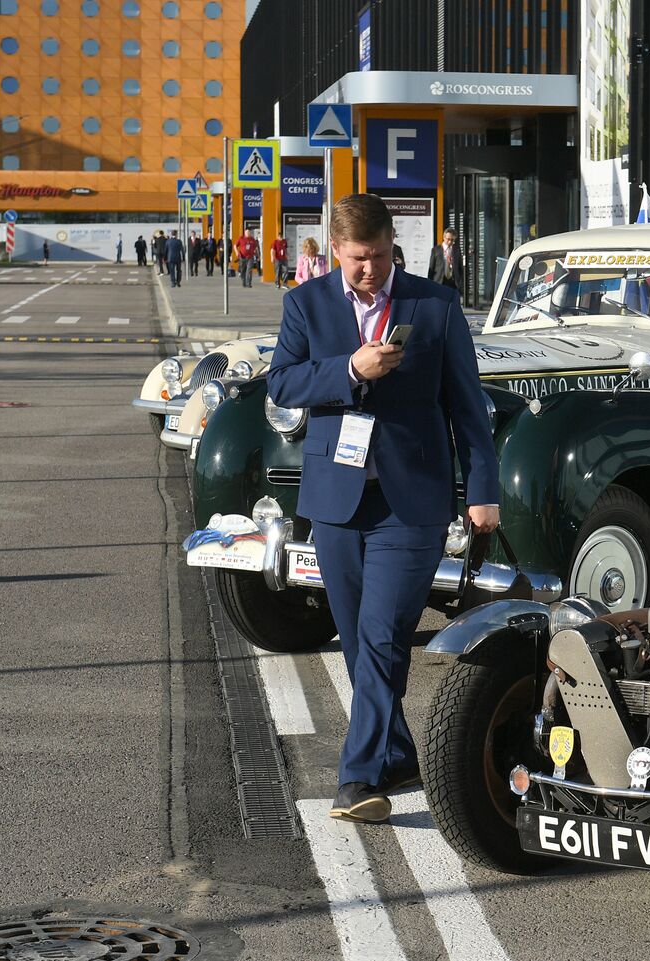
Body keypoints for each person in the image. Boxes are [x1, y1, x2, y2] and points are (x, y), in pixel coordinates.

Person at [266, 193, 499, 824]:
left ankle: (358, 778)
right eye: (355, 260)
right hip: (337, 500)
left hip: (412, 502)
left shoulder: (436, 305)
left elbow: (467, 406)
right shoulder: (304, 305)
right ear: (335, 252)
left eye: (377, 255)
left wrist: (482, 490)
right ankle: (396, 754)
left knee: (382, 635)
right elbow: (283, 383)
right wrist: (349, 368)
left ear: (395, 242)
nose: (368, 269)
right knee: (360, 645)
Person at [427, 229, 462, 297]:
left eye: (452, 240)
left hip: (453, 282)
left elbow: (460, 267)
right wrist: (430, 283)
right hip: (439, 281)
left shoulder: (457, 250)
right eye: (448, 239)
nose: (450, 242)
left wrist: (459, 281)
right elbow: (431, 267)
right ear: (443, 237)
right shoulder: (436, 250)